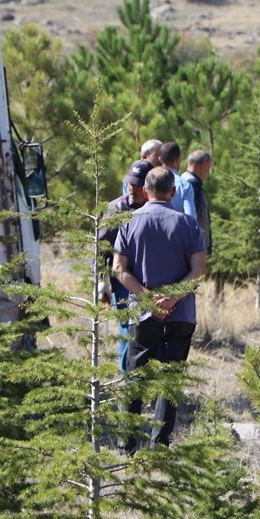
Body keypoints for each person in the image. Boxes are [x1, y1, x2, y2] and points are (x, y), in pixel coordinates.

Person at [113, 166, 207, 450]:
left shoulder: (130, 222)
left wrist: (146, 298)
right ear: (173, 192)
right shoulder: (189, 225)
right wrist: (173, 298)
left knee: (136, 377)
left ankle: (127, 445)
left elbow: (119, 268)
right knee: (171, 379)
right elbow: (199, 270)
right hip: (181, 316)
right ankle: (160, 445)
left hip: (143, 315)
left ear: (145, 191)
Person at [96, 159, 152, 371]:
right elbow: (99, 249)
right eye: (130, 182)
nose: (132, 187)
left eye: (137, 184)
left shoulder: (153, 208)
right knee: (127, 333)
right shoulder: (116, 209)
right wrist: (101, 284)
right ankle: (127, 384)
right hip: (122, 282)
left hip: (150, 281)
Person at [181, 149, 213, 256]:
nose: (208, 173)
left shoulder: (181, 180)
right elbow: (193, 216)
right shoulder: (193, 185)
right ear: (203, 165)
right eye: (208, 169)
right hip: (194, 247)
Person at [159, 141, 195, 220]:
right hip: (177, 230)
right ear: (178, 159)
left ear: (160, 159)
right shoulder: (184, 185)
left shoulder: (150, 181)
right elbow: (191, 217)